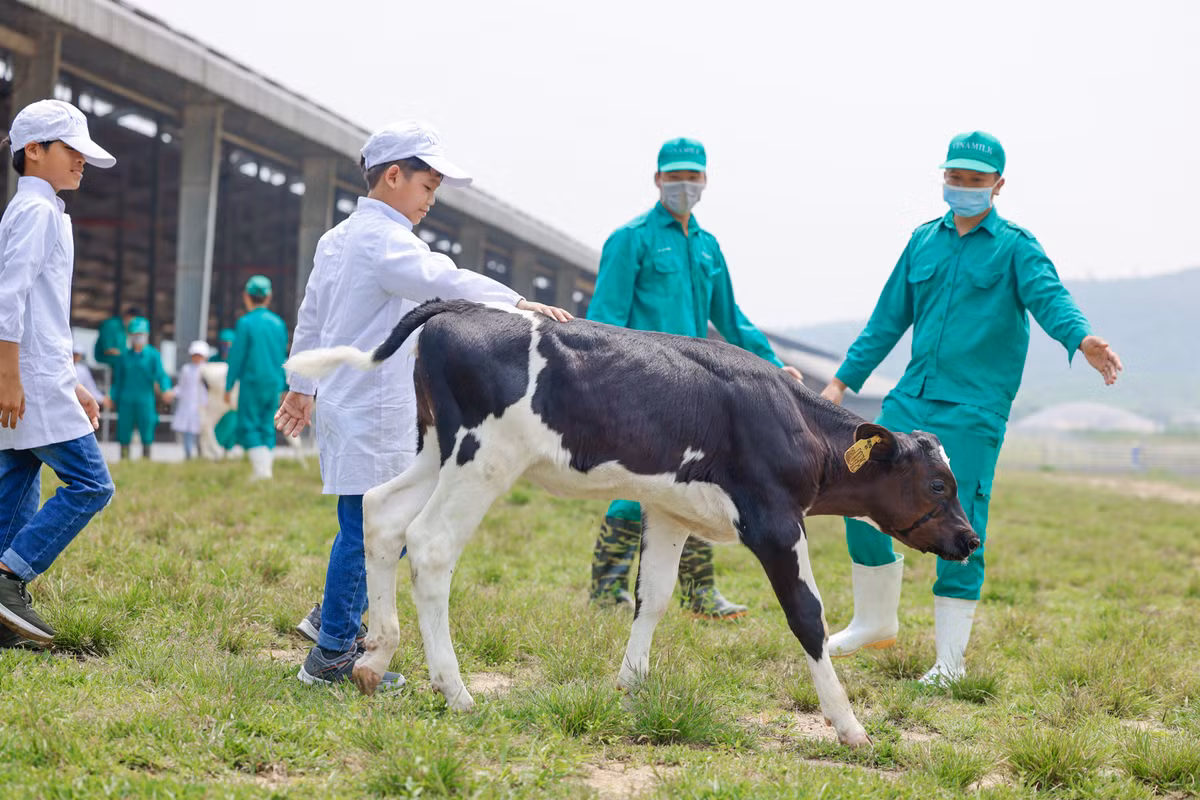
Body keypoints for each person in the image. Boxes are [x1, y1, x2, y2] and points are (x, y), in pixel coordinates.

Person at [274, 120, 572, 688]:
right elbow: (443, 280)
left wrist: (302, 386)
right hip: (375, 405)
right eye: (427, 187)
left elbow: (311, 317)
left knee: (367, 522)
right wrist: (516, 304)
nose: (431, 201)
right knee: (379, 525)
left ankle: (332, 619)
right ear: (393, 176)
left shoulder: (336, 238)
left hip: (344, 398)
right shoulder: (387, 241)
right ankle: (332, 653)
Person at [820, 131, 1123, 684]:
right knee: (860, 488)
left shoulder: (1015, 246)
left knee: (961, 522)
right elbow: (887, 319)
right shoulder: (922, 242)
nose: (961, 188)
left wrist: (1082, 339)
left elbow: (1050, 299)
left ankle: (950, 663)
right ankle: (873, 621)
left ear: (998, 185)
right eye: (954, 178)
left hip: (974, 408)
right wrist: (841, 383)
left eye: (974, 181)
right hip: (912, 396)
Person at [585, 137, 804, 620]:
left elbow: (731, 317)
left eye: (692, 176)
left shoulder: (708, 248)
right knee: (639, 482)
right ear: (657, 179)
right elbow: (603, 319)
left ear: (705, 181)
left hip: (699, 390)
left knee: (698, 485)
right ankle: (606, 587)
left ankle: (700, 594)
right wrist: (604, 386)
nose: (684, 185)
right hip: (642, 387)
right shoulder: (631, 239)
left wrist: (771, 364)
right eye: (674, 176)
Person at [0, 99, 117, 649]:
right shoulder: (37, 212)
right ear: (34, 151)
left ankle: (4, 617)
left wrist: (70, 381)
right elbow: (10, 297)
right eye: (72, 150)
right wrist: (10, 376)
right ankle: (8, 580)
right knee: (92, 484)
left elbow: (42, 312)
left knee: (17, 479)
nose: (82, 162)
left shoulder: (41, 210)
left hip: (38, 376)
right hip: (27, 378)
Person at [224, 275, 288, 480]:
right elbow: (283, 356)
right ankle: (266, 470)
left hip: (252, 383)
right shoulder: (279, 324)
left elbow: (237, 356)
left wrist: (228, 384)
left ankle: (261, 472)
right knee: (268, 424)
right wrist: (286, 384)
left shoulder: (245, 323)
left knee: (249, 423)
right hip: (274, 383)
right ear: (268, 297)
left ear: (246, 296)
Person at [111, 316, 174, 460]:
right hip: (126, 400)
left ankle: (146, 459)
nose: (137, 337)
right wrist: (111, 396)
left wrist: (166, 389)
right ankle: (124, 459)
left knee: (147, 428)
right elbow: (117, 381)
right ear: (130, 336)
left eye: (140, 334)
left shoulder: (153, 355)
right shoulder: (123, 357)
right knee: (124, 430)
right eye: (135, 334)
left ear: (146, 335)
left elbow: (161, 375)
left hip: (145, 400)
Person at [172, 340, 210, 460]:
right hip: (187, 404)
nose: (197, 358)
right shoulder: (186, 369)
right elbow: (182, 387)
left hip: (203, 405)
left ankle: (202, 454)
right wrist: (172, 393)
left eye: (200, 355)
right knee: (188, 432)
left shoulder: (208, 370)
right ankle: (188, 455)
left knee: (202, 432)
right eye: (195, 355)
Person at [93, 305, 140, 371]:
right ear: (128, 316)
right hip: (107, 362)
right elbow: (108, 350)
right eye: (135, 320)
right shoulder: (111, 325)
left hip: (119, 362)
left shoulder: (124, 328)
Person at [73, 342, 104, 407]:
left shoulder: (83, 370)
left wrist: (102, 399)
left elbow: (90, 387)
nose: (76, 356)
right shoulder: (67, 367)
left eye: (77, 354)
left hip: (78, 403)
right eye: (74, 354)